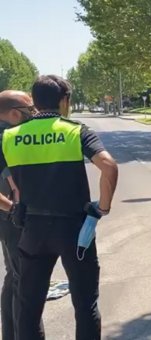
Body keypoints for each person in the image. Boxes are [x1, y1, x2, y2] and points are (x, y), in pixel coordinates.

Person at [0, 75, 119, 340]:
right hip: (74, 232)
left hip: (31, 231)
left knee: (28, 308)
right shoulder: (75, 130)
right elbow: (109, 167)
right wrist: (102, 207)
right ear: (64, 100)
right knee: (85, 304)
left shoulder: (9, 136)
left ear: (36, 102)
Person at [0, 90, 42, 340]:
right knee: (27, 284)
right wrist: (14, 210)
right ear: (14, 114)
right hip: (11, 220)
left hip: (10, 219)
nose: (35, 114)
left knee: (15, 278)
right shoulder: (6, 138)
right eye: (30, 110)